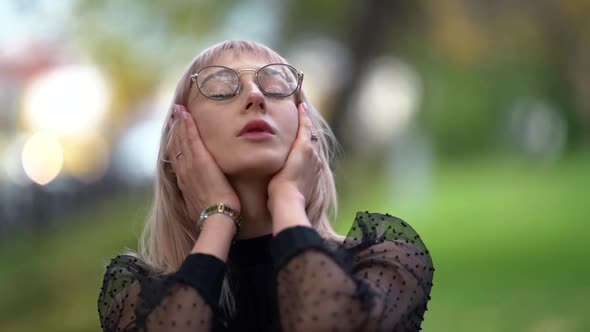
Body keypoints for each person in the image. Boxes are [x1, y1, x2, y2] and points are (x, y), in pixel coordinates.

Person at [97, 40, 434, 332]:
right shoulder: (143, 298)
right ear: (180, 139)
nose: (255, 96)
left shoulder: (382, 263)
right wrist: (219, 216)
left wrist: (288, 199)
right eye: (219, 88)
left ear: (306, 128)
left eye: (275, 84)